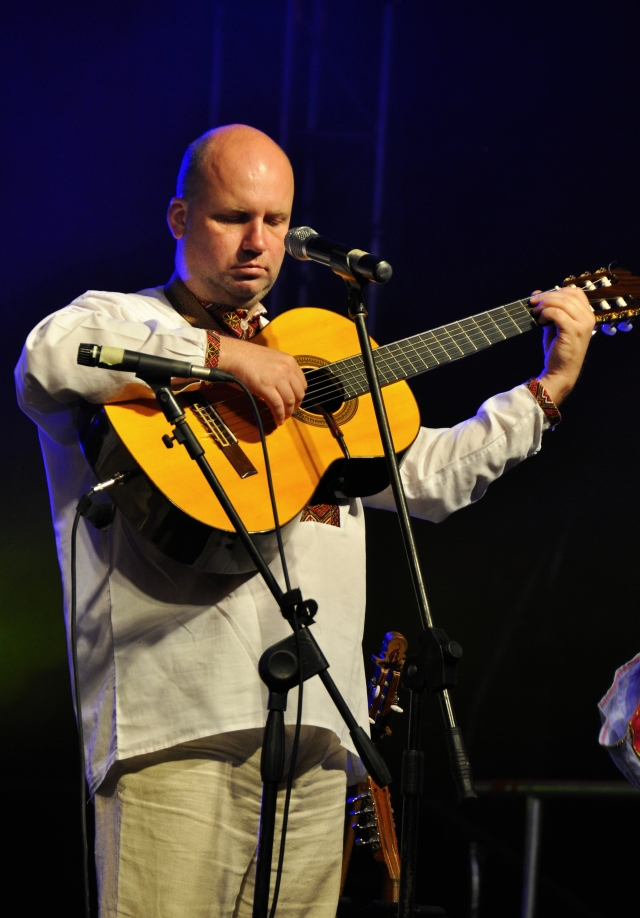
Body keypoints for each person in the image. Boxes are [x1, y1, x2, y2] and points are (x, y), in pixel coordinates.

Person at [15, 124, 595, 917]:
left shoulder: (314, 354)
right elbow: (49, 357)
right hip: (176, 731)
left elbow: (429, 479)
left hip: (321, 741)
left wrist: (547, 391)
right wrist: (223, 358)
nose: (258, 242)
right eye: (233, 217)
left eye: (277, 221)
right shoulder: (121, 319)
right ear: (179, 217)